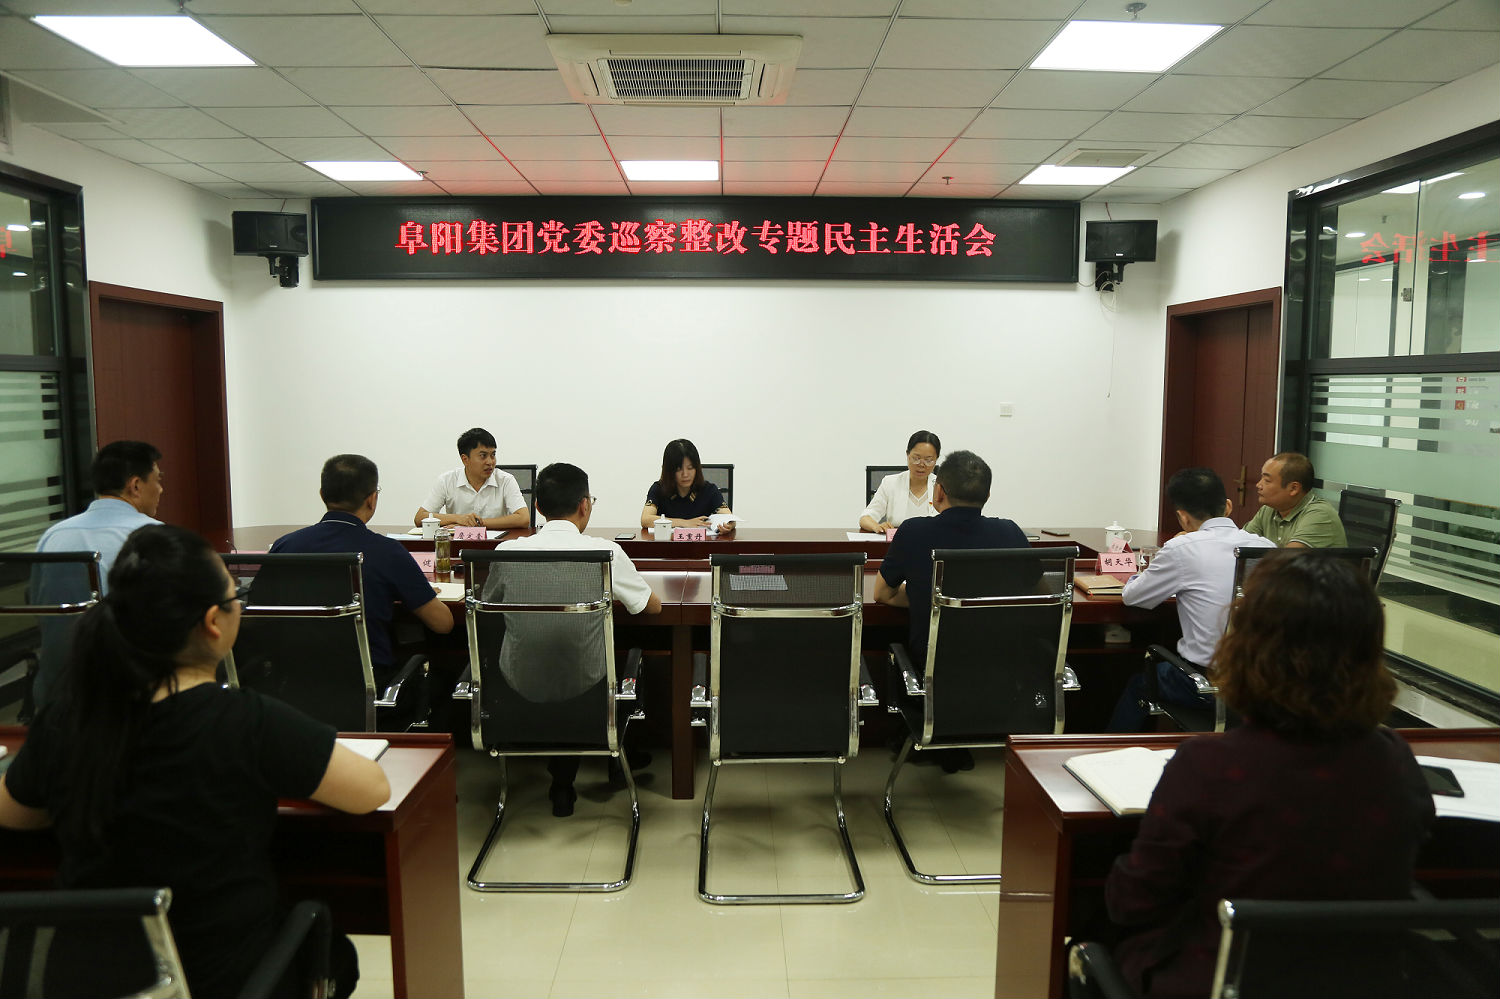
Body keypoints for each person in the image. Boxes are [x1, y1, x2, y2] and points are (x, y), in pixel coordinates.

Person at [0, 525, 391, 998]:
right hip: (225, 979)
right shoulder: (248, 721)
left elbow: (15, 812)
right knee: (336, 956)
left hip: (85, 979)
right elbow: (371, 790)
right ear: (213, 622)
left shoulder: (69, 717)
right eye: (234, 597)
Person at [1104, 552, 1434, 998]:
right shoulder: (1394, 760)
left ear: (1245, 647)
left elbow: (1132, 903)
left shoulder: (1208, 765)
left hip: (1216, 980)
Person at [488, 462, 662, 816]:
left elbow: (487, 604)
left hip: (517, 690)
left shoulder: (506, 553)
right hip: (589, 693)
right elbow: (652, 607)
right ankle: (616, 756)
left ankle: (565, 777)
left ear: (538, 507)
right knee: (634, 656)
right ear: (585, 505)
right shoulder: (605, 553)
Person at [875, 450, 1029, 772]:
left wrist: (926, 597)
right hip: (1001, 666)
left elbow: (882, 594)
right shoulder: (1011, 533)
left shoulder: (914, 532)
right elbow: (1034, 593)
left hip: (933, 666)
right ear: (987, 495)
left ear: (939, 491)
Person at [1106, 468, 1275, 732]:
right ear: (1228, 506)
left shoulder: (1182, 548)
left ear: (1183, 517)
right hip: (1262, 683)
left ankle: (1110, 750)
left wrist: (1135, 575)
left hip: (1204, 684)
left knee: (1141, 684)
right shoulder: (1267, 547)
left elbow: (1133, 596)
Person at [273, 454, 454, 685]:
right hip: (367, 684)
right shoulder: (386, 551)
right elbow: (443, 623)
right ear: (372, 499)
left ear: (322, 495)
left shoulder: (284, 546)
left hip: (289, 682)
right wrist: (416, 591)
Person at [30, 440, 164, 710]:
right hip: (130, 700)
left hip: (55, 698)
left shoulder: (53, 536)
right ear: (136, 486)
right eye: (158, 480)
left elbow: (38, 605)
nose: (161, 489)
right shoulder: (155, 537)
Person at [413, 427, 530, 530]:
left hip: (495, 545)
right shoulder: (446, 481)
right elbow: (420, 518)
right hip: (459, 544)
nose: (490, 462)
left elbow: (523, 518)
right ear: (465, 459)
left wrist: (477, 523)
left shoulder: (505, 480)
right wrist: (458, 519)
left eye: (493, 455)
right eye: (483, 456)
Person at [1244, 451, 1347, 548]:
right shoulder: (1268, 509)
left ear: (1294, 488)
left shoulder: (1321, 514)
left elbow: (1287, 557)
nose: (1258, 485)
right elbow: (1242, 543)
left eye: (1267, 480)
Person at [639, 438, 735, 532]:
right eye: (678, 469)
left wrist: (729, 525)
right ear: (669, 470)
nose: (685, 474)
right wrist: (684, 523)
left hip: (703, 542)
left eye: (690, 468)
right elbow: (645, 519)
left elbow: (729, 517)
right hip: (667, 542)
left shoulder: (709, 490)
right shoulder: (659, 489)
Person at [859, 430, 941, 534]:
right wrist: (877, 526)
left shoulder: (942, 487)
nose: (921, 465)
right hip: (898, 541)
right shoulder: (890, 483)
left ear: (936, 459)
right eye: (916, 458)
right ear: (907, 454)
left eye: (928, 460)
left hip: (932, 540)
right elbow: (866, 518)